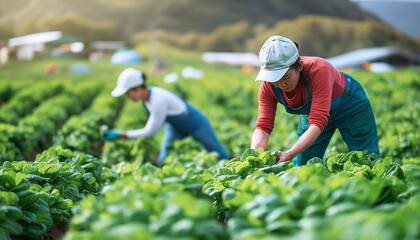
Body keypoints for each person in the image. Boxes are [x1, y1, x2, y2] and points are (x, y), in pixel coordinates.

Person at [251, 35, 380, 167]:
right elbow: (263, 125)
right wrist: (254, 156)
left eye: (285, 77)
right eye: (274, 78)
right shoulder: (268, 86)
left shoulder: (320, 70)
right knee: (303, 166)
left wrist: (290, 153)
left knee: (366, 160)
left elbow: (318, 122)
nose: (280, 84)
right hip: (314, 112)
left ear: (300, 66)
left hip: (350, 107)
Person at [102, 68, 230, 164]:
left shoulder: (157, 99)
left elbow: (150, 132)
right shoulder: (146, 101)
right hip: (175, 127)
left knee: (217, 151)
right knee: (164, 158)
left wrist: (122, 135)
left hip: (195, 123)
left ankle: (234, 173)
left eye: (128, 93)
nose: (128, 97)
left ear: (137, 88)